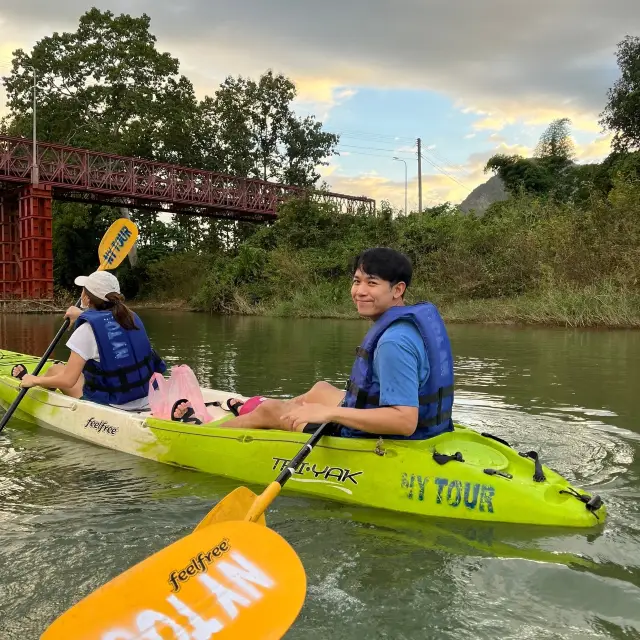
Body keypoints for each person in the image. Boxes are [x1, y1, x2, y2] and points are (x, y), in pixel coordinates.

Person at [175, 247, 454, 439]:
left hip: (386, 437)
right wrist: (322, 406)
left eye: (372, 283)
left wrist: (330, 413)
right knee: (320, 389)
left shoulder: (393, 343)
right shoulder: (406, 325)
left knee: (274, 411)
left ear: (398, 290)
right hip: (425, 427)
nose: (359, 291)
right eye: (357, 281)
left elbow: (404, 422)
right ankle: (270, 411)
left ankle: (206, 435)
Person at [13, 271, 166, 411]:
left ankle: (31, 388)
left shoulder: (86, 331)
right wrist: (81, 315)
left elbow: (68, 381)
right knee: (65, 368)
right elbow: (106, 322)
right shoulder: (131, 317)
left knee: (56, 370)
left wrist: (35, 380)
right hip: (147, 397)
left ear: (85, 299)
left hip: (113, 404)